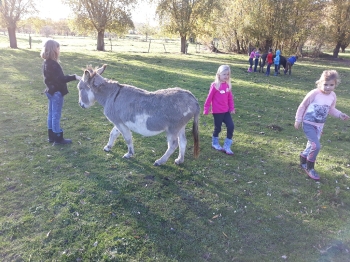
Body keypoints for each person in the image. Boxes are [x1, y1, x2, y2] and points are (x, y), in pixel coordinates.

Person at [294, 70, 349, 180]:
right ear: (320, 83)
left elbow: (331, 109)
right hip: (308, 123)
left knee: (311, 145)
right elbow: (302, 106)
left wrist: (340, 115)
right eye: (325, 84)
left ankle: (303, 159)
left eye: (331, 85)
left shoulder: (332, 95)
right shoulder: (314, 93)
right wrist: (298, 120)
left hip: (319, 126)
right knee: (316, 146)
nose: (328, 87)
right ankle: (310, 168)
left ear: (335, 84)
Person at [40, 39, 81, 145]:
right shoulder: (53, 64)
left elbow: (48, 79)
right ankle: (58, 138)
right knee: (55, 116)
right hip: (56, 93)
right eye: (58, 48)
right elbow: (61, 79)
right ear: (54, 49)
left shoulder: (46, 63)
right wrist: (75, 77)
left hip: (50, 92)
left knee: (51, 114)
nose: (59, 50)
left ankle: (51, 137)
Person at [203, 65, 235, 155]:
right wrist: (206, 108)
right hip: (217, 112)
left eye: (227, 74)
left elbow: (230, 99)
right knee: (218, 128)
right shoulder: (215, 85)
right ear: (218, 75)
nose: (226, 76)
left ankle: (227, 146)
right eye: (224, 74)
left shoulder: (228, 85)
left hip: (226, 111)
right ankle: (215, 143)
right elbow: (209, 98)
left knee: (231, 126)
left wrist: (232, 108)